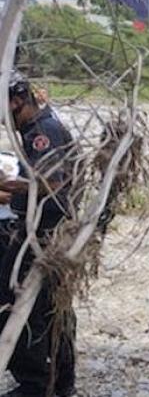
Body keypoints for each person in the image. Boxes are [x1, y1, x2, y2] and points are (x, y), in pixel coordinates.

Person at [0, 71, 77, 397]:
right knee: (51, 306)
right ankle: (58, 383)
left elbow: (51, 183)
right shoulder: (39, 127)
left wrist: (6, 183)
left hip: (43, 233)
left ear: (17, 101)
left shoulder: (43, 133)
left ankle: (35, 383)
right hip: (45, 229)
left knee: (17, 298)